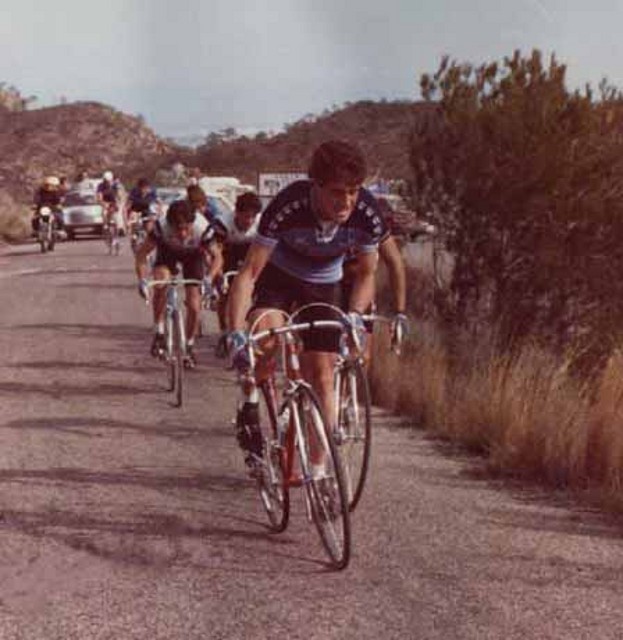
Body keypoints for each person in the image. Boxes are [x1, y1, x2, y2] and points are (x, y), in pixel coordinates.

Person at [226, 139, 387, 466]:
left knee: (324, 375)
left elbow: (368, 274)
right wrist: (236, 332)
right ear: (316, 186)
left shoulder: (368, 212)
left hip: (324, 283)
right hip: (280, 276)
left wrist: (355, 315)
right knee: (268, 339)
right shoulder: (287, 205)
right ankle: (249, 399)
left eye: (354, 191)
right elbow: (249, 273)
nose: (347, 202)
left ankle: (318, 471)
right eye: (337, 193)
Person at [134, 199, 223, 368]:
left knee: (195, 305)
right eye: (177, 228)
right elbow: (141, 255)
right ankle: (159, 331)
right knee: (161, 284)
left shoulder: (202, 228)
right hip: (168, 254)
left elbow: (217, 257)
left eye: (186, 228)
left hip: (193, 256)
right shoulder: (161, 228)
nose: (182, 233)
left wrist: (209, 278)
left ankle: (189, 345)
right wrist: (142, 280)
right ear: (170, 224)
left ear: (193, 223)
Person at [213, 191, 262, 357]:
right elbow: (216, 253)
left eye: (252, 217)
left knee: (254, 291)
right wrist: (219, 274)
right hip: (228, 253)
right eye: (245, 216)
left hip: (250, 251)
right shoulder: (223, 223)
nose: (249, 221)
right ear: (237, 213)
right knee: (225, 293)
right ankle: (224, 331)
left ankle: (250, 329)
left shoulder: (261, 224)